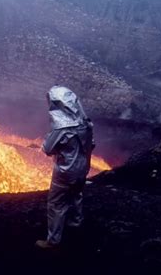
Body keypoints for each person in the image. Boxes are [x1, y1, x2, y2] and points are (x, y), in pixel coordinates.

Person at [36, 86, 95, 249]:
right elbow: (92, 144)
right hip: (83, 167)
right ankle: (76, 223)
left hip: (65, 170)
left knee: (56, 204)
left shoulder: (62, 128)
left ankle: (53, 241)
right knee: (76, 195)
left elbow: (48, 148)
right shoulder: (86, 122)